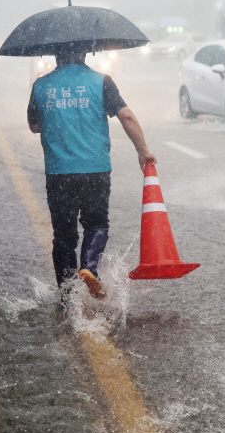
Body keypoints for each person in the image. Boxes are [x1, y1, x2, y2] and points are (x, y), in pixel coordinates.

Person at [27, 48, 157, 308]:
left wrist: (60, 116)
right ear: (85, 54)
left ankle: (67, 298)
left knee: (63, 237)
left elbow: (34, 125)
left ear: (56, 55)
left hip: (59, 172)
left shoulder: (41, 85)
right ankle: (89, 267)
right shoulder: (102, 82)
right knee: (96, 223)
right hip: (95, 169)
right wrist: (143, 151)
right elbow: (126, 116)